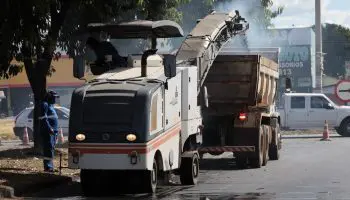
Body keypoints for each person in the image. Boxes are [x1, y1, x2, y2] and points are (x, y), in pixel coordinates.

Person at [38, 90, 59, 172]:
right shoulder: (44, 104)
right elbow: (43, 118)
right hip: (48, 132)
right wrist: (49, 128)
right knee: (48, 149)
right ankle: (48, 167)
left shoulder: (50, 105)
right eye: (54, 97)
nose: (55, 99)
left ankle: (51, 167)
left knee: (51, 149)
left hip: (53, 132)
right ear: (49, 97)